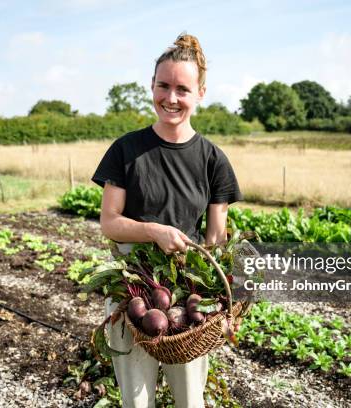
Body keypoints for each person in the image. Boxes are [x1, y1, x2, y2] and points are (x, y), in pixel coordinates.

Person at [91, 33, 242, 408]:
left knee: (190, 400)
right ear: (152, 85)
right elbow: (110, 222)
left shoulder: (213, 160)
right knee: (135, 400)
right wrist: (153, 231)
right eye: (163, 86)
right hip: (134, 291)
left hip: (187, 296)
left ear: (200, 93)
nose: (170, 98)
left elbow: (215, 241)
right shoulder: (126, 150)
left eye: (182, 89)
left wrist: (220, 303)